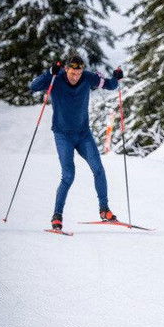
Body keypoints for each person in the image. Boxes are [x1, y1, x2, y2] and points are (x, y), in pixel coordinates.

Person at [29, 54, 124, 230]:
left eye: (79, 73)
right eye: (73, 73)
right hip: (63, 135)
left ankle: (104, 210)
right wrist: (49, 73)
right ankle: (57, 216)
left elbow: (110, 85)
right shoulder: (56, 78)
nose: (76, 77)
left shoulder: (87, 77)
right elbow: (33, 86)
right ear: (66, 69)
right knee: (68, 175)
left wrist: (116, 77)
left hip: (83, 134)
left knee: (98, 169)